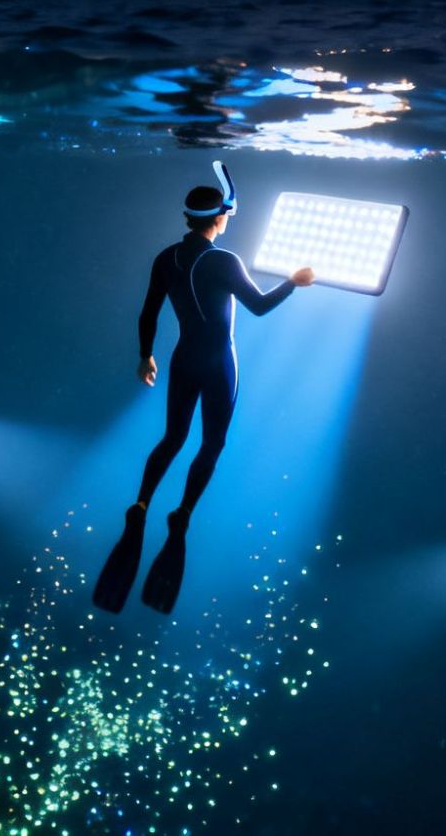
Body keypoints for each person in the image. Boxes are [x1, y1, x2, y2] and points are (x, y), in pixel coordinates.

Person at [93, 165, 315, 614]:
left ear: (186, 217)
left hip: (183, 358)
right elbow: (259, 307)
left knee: (172, 438)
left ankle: (141, 504)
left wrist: (145, 356)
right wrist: (293, 282)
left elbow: (148, 312)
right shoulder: (224, 261)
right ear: (219, 217)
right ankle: (182, 515)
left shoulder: (166, 258)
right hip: (218, 363)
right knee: (212, 443)